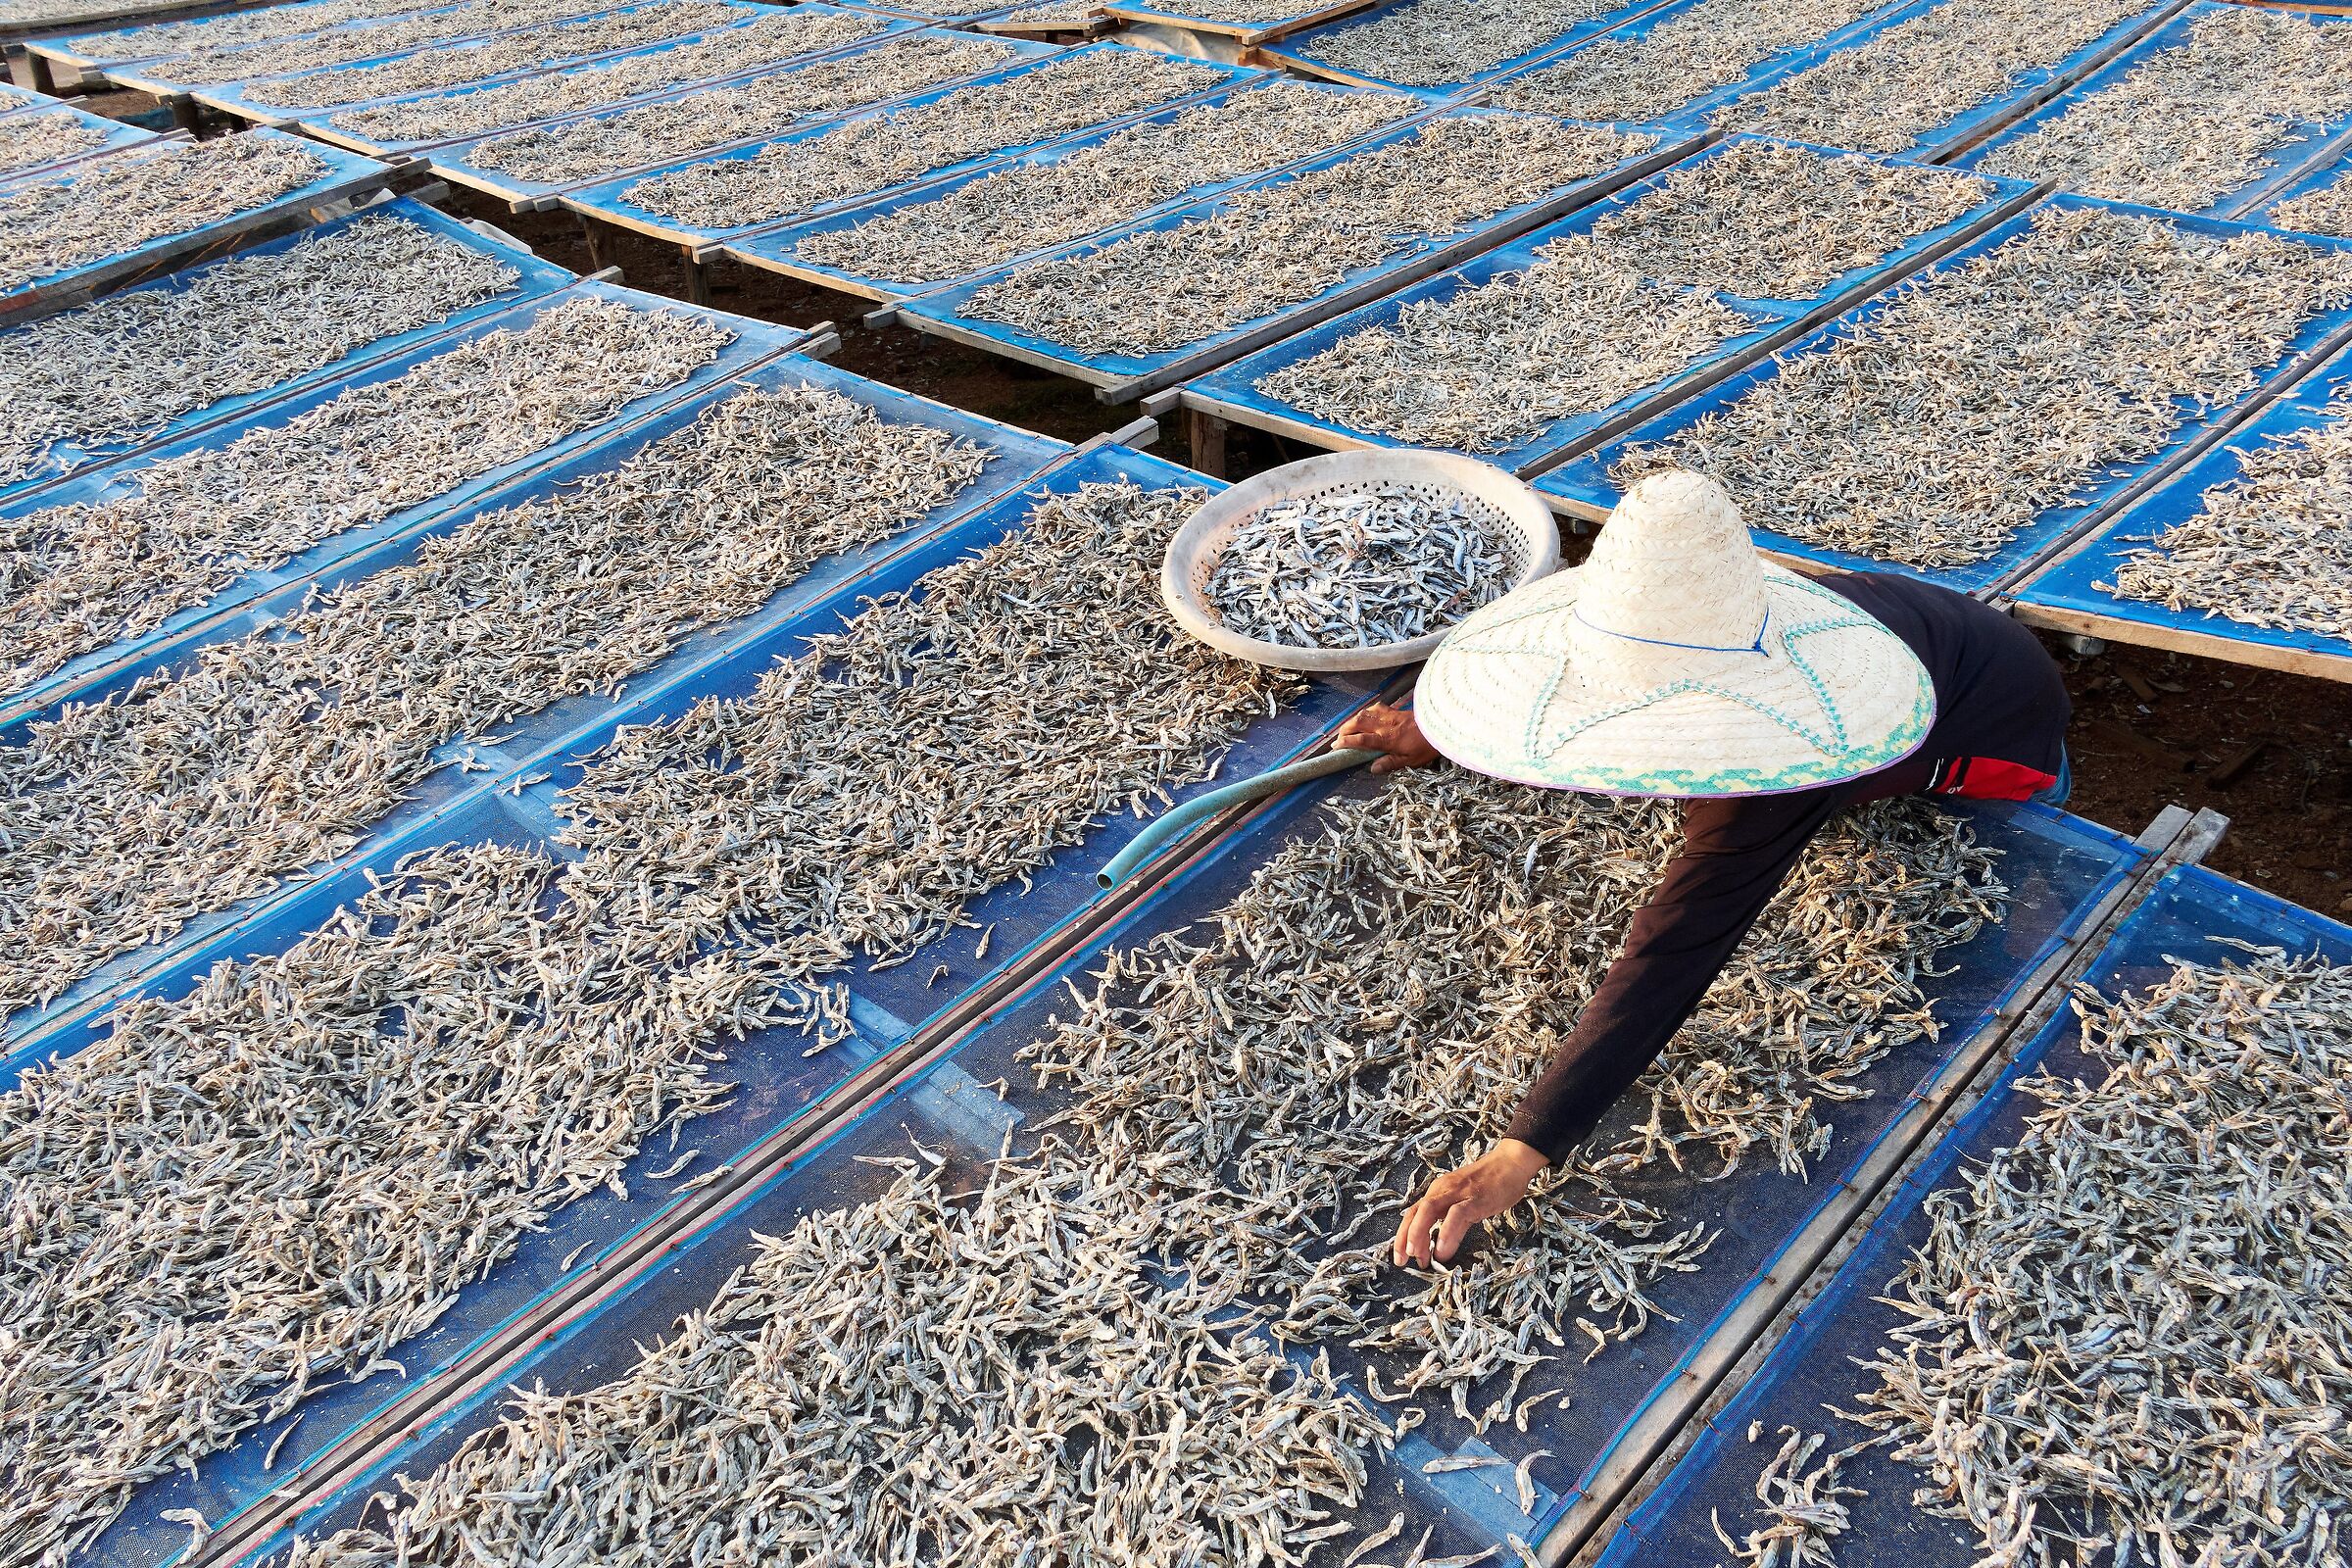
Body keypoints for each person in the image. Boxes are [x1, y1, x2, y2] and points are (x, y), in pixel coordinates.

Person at [1356, 469, 2072, 1270]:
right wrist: (1440, 733)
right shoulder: (1712, 622)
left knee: (1981, 912)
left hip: (1996, 740)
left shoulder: (1791, 757)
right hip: (1929, 634)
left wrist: (1524, 1147)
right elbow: (1568, 710)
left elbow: (1676, 948)